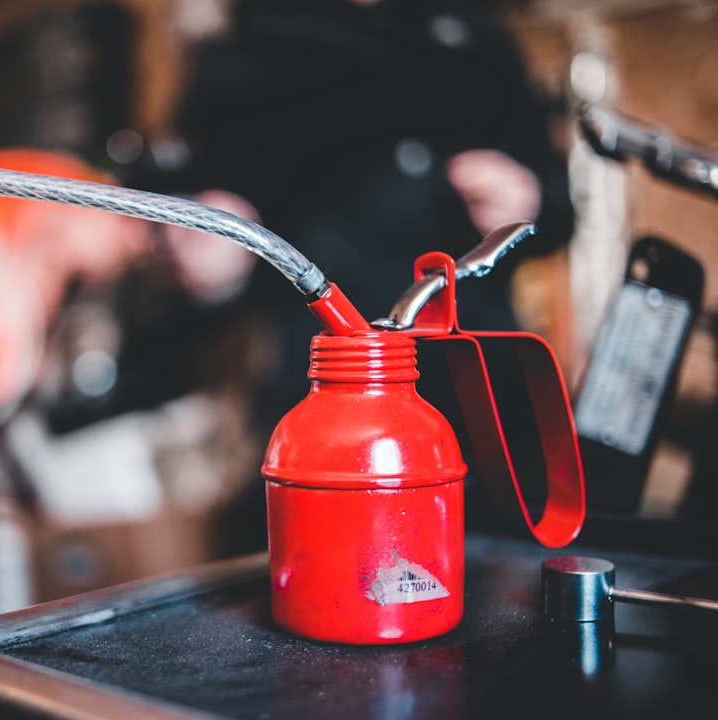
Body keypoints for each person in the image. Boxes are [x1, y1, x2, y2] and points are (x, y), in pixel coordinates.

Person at [134, 0, 576, 551]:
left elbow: (558, 208)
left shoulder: (477, 41)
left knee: (507, 578)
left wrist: (528, 194)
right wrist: (206, 245)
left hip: (477, 378)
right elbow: (187, 209)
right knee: (324, 566)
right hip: (315, 378)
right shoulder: (241, 51)